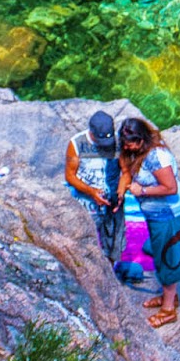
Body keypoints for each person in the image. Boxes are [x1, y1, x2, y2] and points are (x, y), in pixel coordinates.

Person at [116, 116, 180, 328]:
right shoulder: (134, 152)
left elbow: (170, 188)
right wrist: (121, 192)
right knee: (159, 254)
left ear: (142, 140)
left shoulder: (156, 157)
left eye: (131, 143)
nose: (127, 147)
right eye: (125, 143)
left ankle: (168, 310)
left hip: (169, 216)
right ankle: (169, 296)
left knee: (168, 259)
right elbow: (126, 173)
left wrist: (143, 190)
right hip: (155, 216)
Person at [65, 110, 125, 265]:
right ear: (91, 132)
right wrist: (92, 192)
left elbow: (126, 171)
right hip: (87, 200)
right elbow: (70, 176)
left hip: (113, 199)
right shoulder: (77, 144)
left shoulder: (118, 143)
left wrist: (120, 192)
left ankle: (111, 267)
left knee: (114, 238)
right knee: (86, 238)